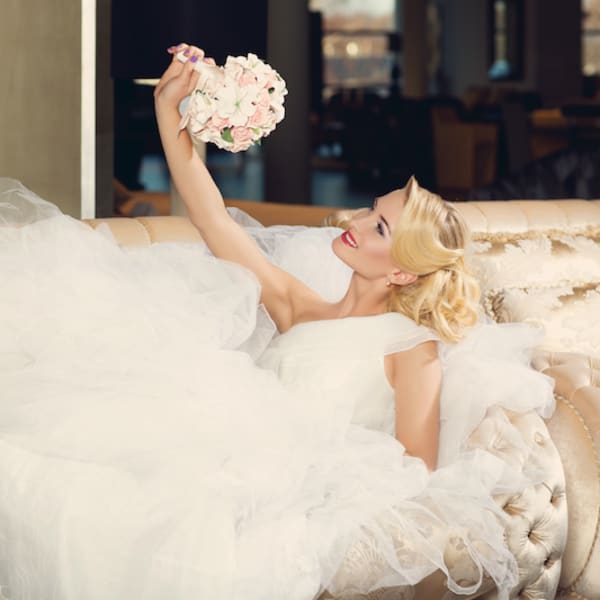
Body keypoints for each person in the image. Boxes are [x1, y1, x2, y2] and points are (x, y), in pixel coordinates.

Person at [0, 45, 554, 600]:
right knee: (59, 477)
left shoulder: (412, 350)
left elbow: (414, 473)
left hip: (288, 485)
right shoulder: (298, 305)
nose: (357, 221)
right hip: (227, 452)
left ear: (403, 273)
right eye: (371, 209)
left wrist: (316, 480)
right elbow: (213, 219)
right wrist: (169, 112)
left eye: (380, 228)